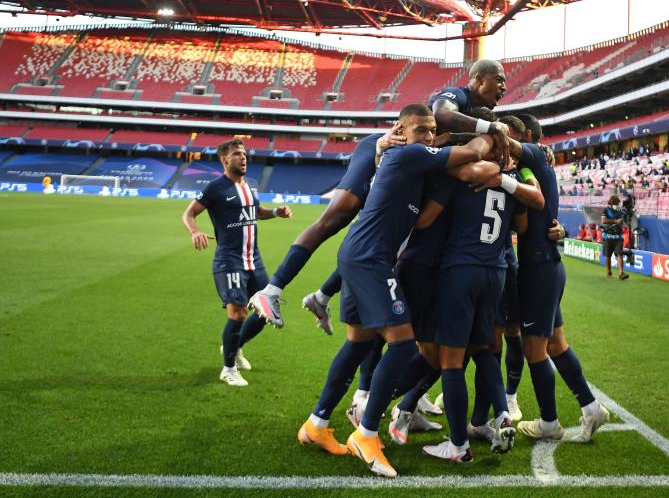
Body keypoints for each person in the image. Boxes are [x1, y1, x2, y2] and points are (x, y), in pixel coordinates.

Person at [297, 104, 496, 478]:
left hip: (361, 256)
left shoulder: (411, 159)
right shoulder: (409, 153)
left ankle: (316, 424)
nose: (426, 136)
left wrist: (446, 142)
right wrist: (493, 132)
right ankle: (367, 433)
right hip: (370, 260)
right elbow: (472, 155)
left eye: (431, 130)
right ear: (401, 131)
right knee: (403, 343)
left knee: (357, 345)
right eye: (420, 129)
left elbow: (423, 213)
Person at [414, 123, 534, 462]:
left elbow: (425, 221)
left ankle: (458, 446)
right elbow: (521, 227)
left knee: (450, 361)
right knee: (486, 351)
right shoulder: (513, 183)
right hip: (495, 273)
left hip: (460, 271)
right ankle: (501, 415)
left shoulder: (461, 176)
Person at [501, 117, 611, 444]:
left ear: (528, 138)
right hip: (547, 266)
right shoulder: (533, 166)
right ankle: (591, 408)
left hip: (539, 269)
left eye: (509, 138)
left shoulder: (533, 157)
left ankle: (549, 423)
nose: (503, 144)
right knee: (555, 344)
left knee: (535, 348)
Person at [248, 124, 405, 330]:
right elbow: (437, 115)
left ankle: (321, 297)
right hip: (384, 146)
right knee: (334, 219)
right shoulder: (454, 101)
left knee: (371, 241)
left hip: (404, 156)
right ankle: (271, 290)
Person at [181, 140, 293, 387]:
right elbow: (188, 213)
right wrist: (194, 231)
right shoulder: (214, 188)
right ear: (224, 160)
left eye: (244, 154)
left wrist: (276, 212)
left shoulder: (249, 186)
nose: (243, 158)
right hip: (230, 260)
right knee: (239, 312)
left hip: (255, 259)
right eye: (236, 154)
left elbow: (255, 211)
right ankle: (228, 369)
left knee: (266, 311)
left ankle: (235, 346)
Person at [602, 195, 628, 280]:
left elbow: (624, 221)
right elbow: (604, 220)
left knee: (620, 254)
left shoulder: (620, 211)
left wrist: (624, 218)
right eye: (616, 203)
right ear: (611, 203)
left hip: (618, 237)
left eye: (618, 203)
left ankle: (621, 273)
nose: (618, 205)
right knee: (608, 256)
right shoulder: (605, 210)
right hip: (607, 236)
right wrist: (615, 221)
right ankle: (609, 271)